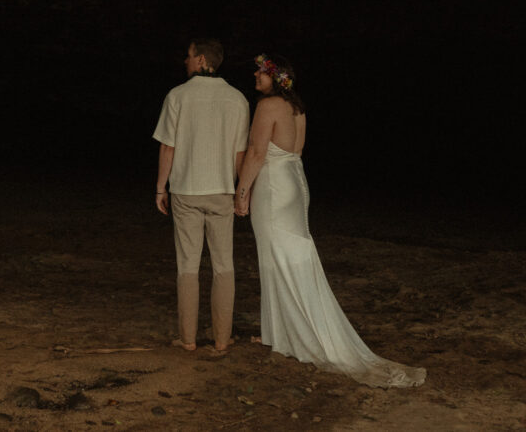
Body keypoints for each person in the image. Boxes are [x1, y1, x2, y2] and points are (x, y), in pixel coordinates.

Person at [235, 53, 426, 387]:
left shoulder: (268, 106)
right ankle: (281, 332)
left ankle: (292, 333)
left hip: (275, 188)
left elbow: (256, 152)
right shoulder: (298, 108)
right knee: (294, 254)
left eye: (261, 72)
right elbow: (297, 153)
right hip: (296, 184)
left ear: (275, 77)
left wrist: (241, 191)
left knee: (276, 257)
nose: (255, 75)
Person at [154, 38, 250, 353]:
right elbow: (240, 154)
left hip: (186, 190)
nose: (185, 60)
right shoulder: (237, 99)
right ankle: (222, 340)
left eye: (189, 55)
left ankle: (188, 339)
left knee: (188, 265)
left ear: (202, 60)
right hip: (221, 190)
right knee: (224, 265)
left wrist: (160, 187)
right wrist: (241, 192)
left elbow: (168, 146)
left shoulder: (178, 96)